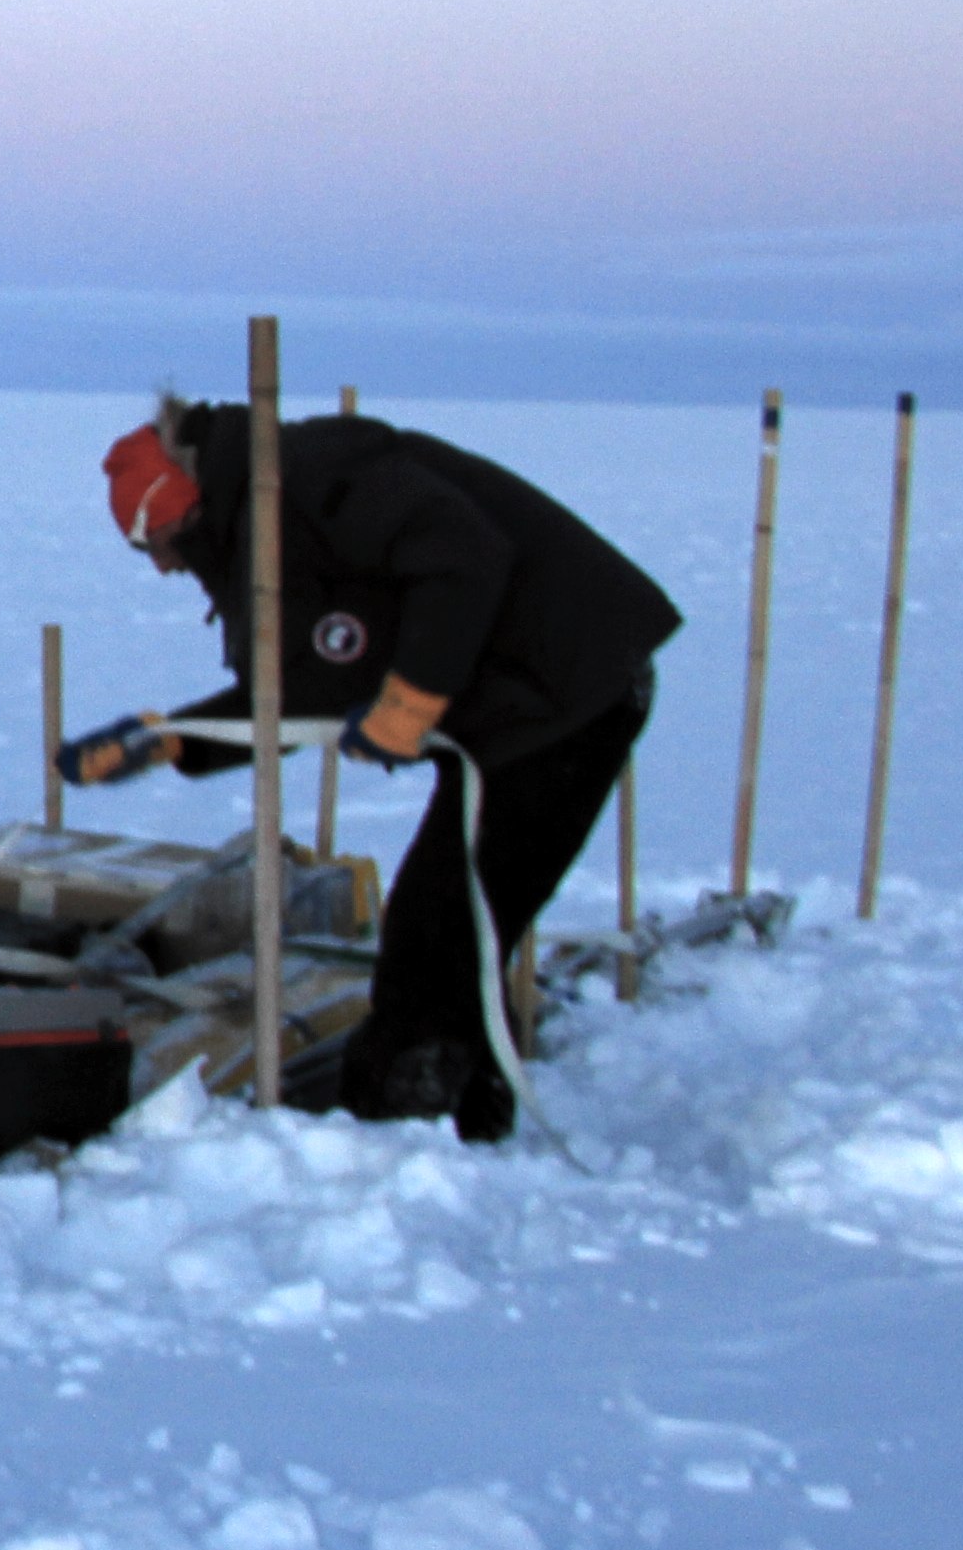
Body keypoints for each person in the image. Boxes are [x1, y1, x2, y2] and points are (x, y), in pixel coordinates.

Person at [64, 396, 679, 1137]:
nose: (162, 567)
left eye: (154, 544)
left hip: (568, 691)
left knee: (448, 932)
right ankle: (451, 1115)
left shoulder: (321, 475)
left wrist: (411, 700)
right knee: (440, 928)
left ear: (187, 507)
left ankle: (422, 1126)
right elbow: (292, 698)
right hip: (511, 714)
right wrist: (172, 739)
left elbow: (464, 553)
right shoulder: (259, 535)